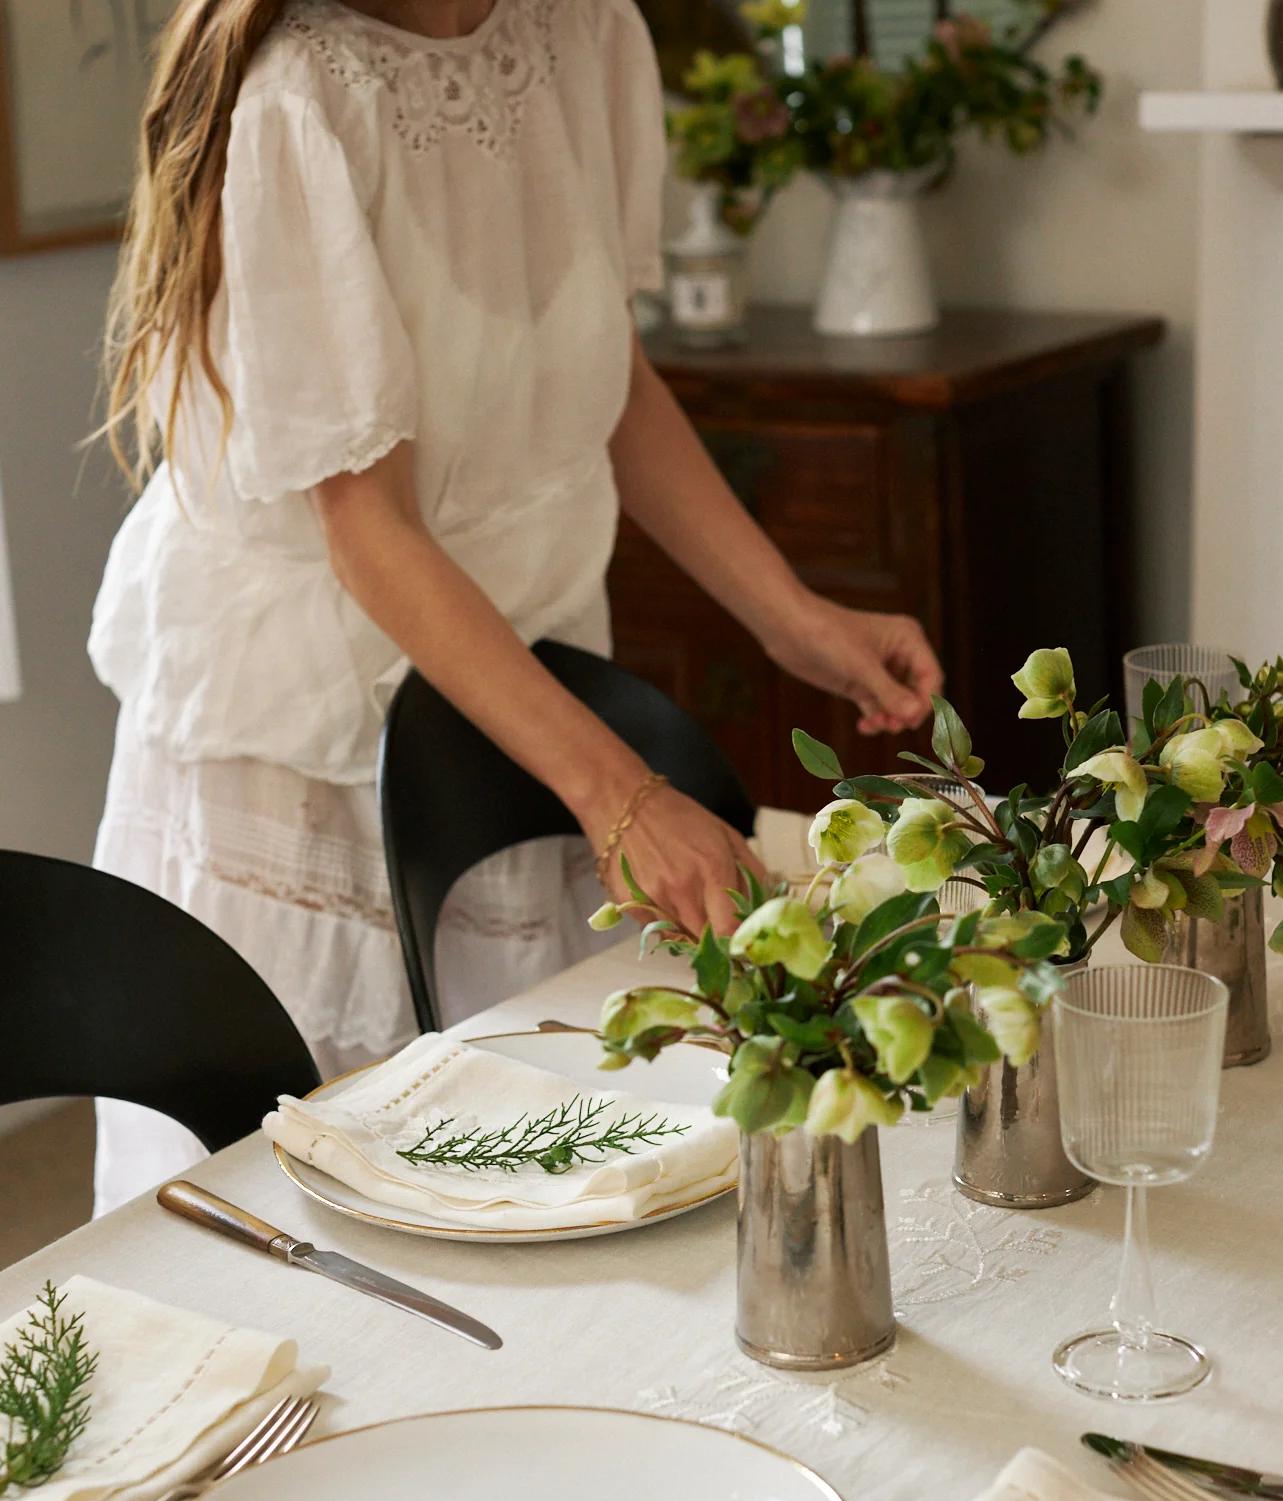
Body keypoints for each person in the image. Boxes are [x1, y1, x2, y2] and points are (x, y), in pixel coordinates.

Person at [88, 0, 943, 1212]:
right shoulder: (298, 99)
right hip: (307, 731)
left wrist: (794, 617)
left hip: (516, 693)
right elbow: (367, 528)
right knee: (312, 1209)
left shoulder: (586, 32)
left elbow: (613, 378)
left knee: (551, 1163)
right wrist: (621, 793)